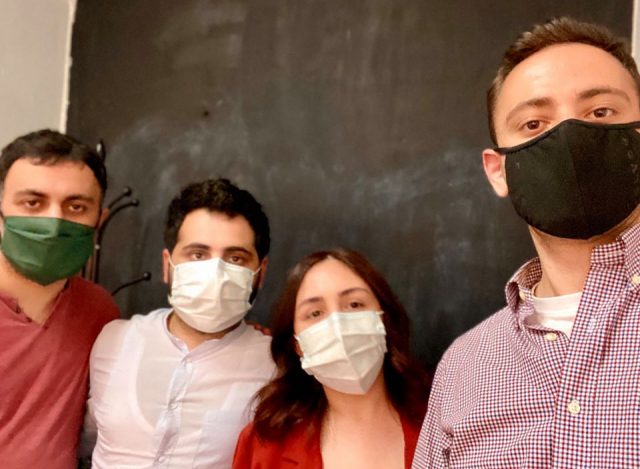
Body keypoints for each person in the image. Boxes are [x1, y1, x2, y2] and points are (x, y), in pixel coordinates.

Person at [412, 17, 640, 468]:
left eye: (600, 113)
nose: (570, 135)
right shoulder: (464, 367)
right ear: (498, 171)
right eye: (534, 123)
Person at [83, 178, 275, 467]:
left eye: (236, 258)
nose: (216, 271)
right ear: (167, 264)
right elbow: (83, 439)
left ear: (260, 273)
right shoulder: (115, 340)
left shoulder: (275, 367)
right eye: (198, 254)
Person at [234, 248, 430, 469]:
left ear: (383, 320)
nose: (337, 324)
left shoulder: (444, 423)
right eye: (315, 313)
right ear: (298, 345)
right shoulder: (264, 445)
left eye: (354, 304)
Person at [0, 129, 120, 468]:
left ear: (99, 221)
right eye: (32, 203)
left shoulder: (99, 312)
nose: (54, 222)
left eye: (76, 206)